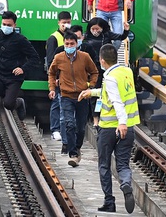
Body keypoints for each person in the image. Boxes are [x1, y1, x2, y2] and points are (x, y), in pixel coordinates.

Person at [78, 44, 140, 214]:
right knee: (123, 164)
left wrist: (121, 123)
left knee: (104, 165)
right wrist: (91, 92)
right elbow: (111, 93)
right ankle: (126, 183)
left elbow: (117, 101)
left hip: (110, 128)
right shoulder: (126, 72)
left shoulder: (111, 77)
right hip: (129, 127)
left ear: (102, 60)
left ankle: (109, 202)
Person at [0, 11, 40, 143]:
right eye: (4, 24)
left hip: (14, 77)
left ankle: (19, 103)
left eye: (9, 24)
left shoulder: (21, 40)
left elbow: (34, 58)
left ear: (14, 25)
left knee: (8, 104)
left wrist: (22, 68)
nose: (6, 26)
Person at [48, 32, 98, 167]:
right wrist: (52, 88)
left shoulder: (84, 57)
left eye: (72, 44)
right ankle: (73, 154)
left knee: (81, 128)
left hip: (82, 96)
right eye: (67, 44)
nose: (69, 46)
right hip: (66, 95)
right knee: (69, 123)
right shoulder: (58, 58)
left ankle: (77, 147)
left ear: (77, 44)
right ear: (63, 44)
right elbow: (51, 72)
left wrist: (90, 86)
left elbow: (94, 72)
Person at [84, 17, 131, 127]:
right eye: (93, 29)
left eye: (98, 29)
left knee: (104, 93)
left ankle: (101, 116)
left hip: (104, 69)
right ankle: (95, 119)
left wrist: (126, 30)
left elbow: (121, 37)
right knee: (93, 94)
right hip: (91, 70)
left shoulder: (107, 35)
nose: (95, 31)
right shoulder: (86, 37)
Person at [46, 11, 72, 145]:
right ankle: (55, 129)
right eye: (64, 22)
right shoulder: (54, 38)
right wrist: (54, 77)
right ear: (59, 22)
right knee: (56, 102)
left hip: (68, 77)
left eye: (68, 22)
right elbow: (50, 60)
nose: (66, 25)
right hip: (58, 77)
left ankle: (64, 130)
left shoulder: (70, 37)